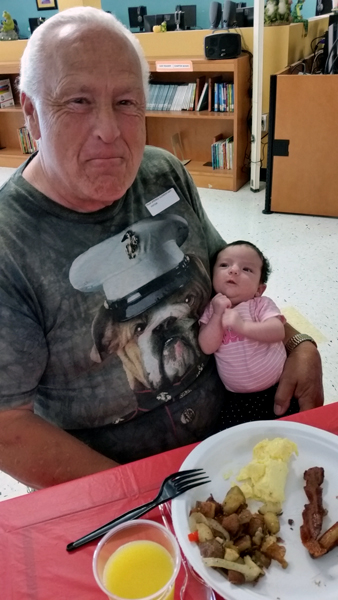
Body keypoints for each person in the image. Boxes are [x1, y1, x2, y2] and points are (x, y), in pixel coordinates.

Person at [0, 8, 323, 490]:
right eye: (79, 101)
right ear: (31, 112)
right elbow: (8, 427)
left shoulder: (162, 172)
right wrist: (141, 495)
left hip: (232, 432)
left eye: (127, 101)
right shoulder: (11, 244)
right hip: (113, 479)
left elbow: (231, 279)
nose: (108, 130)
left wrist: (297, 340)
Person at [199, 241, 301, 425]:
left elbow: (277, 331)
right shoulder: (211, 310)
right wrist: (216, 315)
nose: (234, 270)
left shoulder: (260, 305)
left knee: (291, 428)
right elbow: (207, 346)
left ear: (259, 289)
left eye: (246, 269)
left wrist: (242, 327)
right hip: (236, 398)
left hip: (276, 388)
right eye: (224, 265)